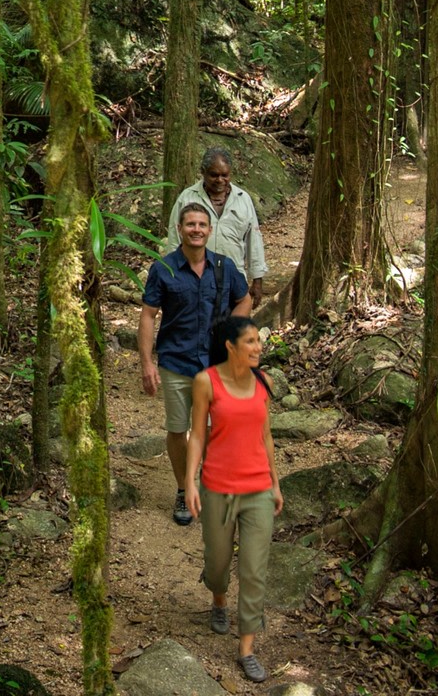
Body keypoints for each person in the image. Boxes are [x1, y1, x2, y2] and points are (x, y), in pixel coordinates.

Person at [138, 202, 252, 526]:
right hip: (176, 361)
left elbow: (244, 298)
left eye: (202, 224)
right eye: (190, 224)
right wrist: (146, 363)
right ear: (180, 229)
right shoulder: (163, 268)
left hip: (216, 365)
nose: (197, 230)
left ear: (209, 230)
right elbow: (148, 315)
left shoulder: (224, 267)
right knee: (178, 429)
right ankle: (183, 488)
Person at [185, 314, 282, 685]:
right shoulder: (205, 382)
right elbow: (196, 435)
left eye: (259, 340)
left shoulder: (264, 383)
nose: (259, 347)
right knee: (217, 563)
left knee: (254, 569)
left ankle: (246, 647)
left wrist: (275, 484)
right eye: (251, 341)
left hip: (257, 488)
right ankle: (218, 598)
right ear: (230, 346)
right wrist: (190, 483)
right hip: (218, 487)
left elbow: (267, 436)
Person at [164, 146, 268, 306]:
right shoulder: (187, 198)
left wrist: (257, 280)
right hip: (194, 278)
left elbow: (253, 239)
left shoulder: (243, 199)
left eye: (224, 175)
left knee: (232, 326)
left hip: (234, 279)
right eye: (214, 175)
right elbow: (174, 239)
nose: (220, 180)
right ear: (203, 173)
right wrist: (173, 277)